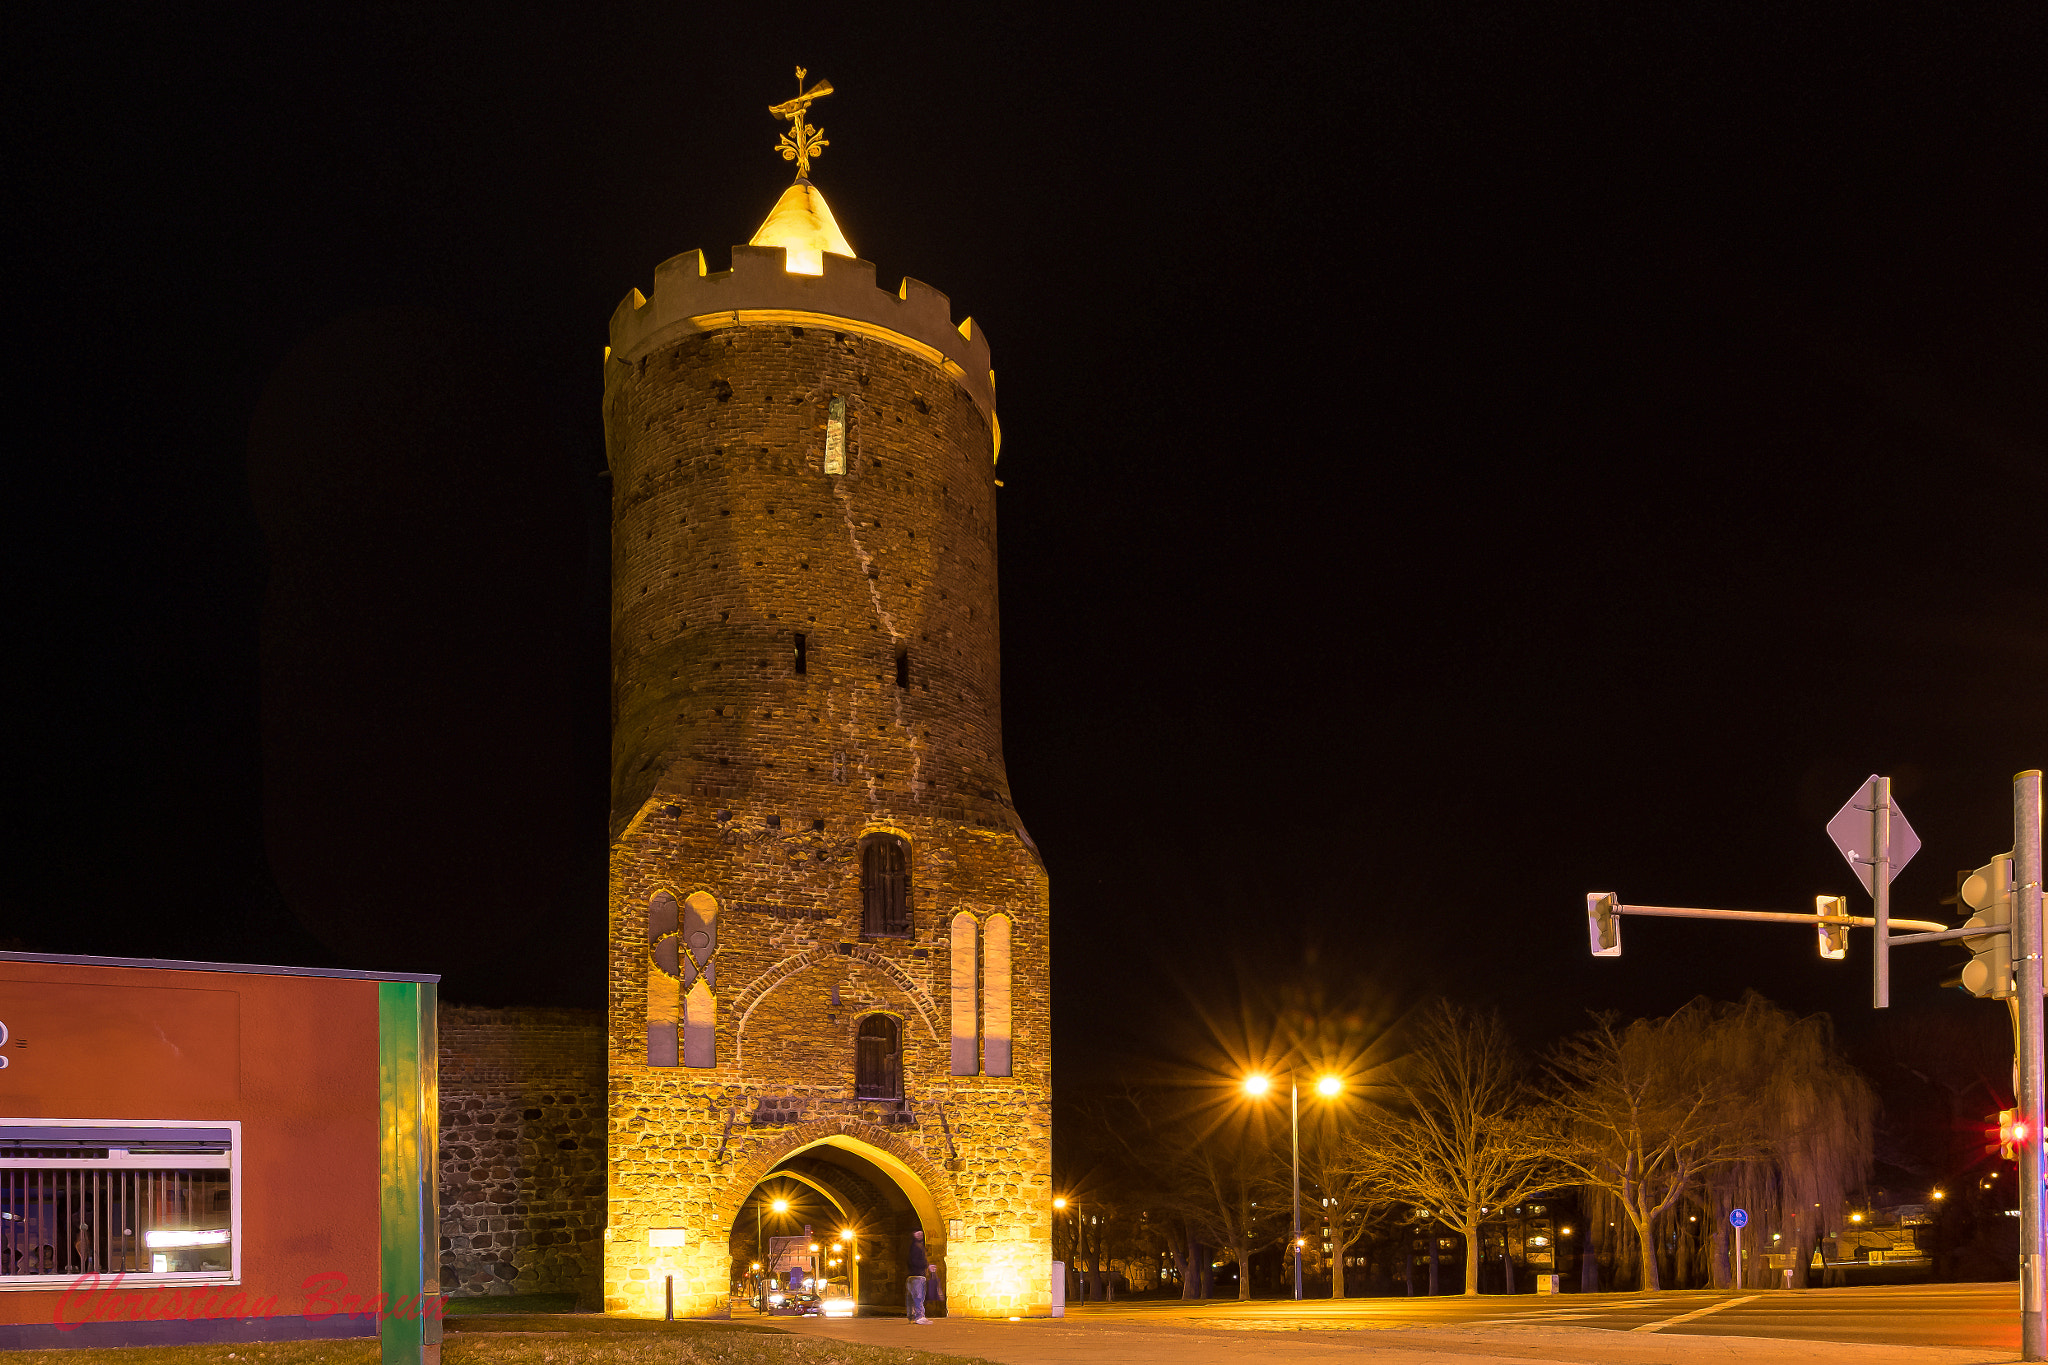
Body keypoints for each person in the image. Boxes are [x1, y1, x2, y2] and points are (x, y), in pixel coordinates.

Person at [905, 1229, 930, 1324]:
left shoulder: (915, 1246)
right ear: (913, 1234)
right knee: (918, 1296)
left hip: (914, 1274)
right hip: (917, 1274)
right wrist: (925, 1265)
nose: (920, 1235)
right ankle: (919, 1316)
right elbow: (914, 1261)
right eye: (917, 1233)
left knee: (913, 1297)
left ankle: (912, 1316)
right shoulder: (915, 1247)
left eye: (921, 1233)